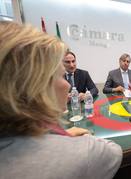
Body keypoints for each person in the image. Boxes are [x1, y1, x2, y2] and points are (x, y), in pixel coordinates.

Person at [0, 21, 122, 179]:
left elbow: (94, 89)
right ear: (36, 86)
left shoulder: (83, 73)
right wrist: (70, 136)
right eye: (59, 74)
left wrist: (85, 95)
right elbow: (114, 152)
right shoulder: (84, 153)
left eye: (73, 62)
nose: (66, 84)